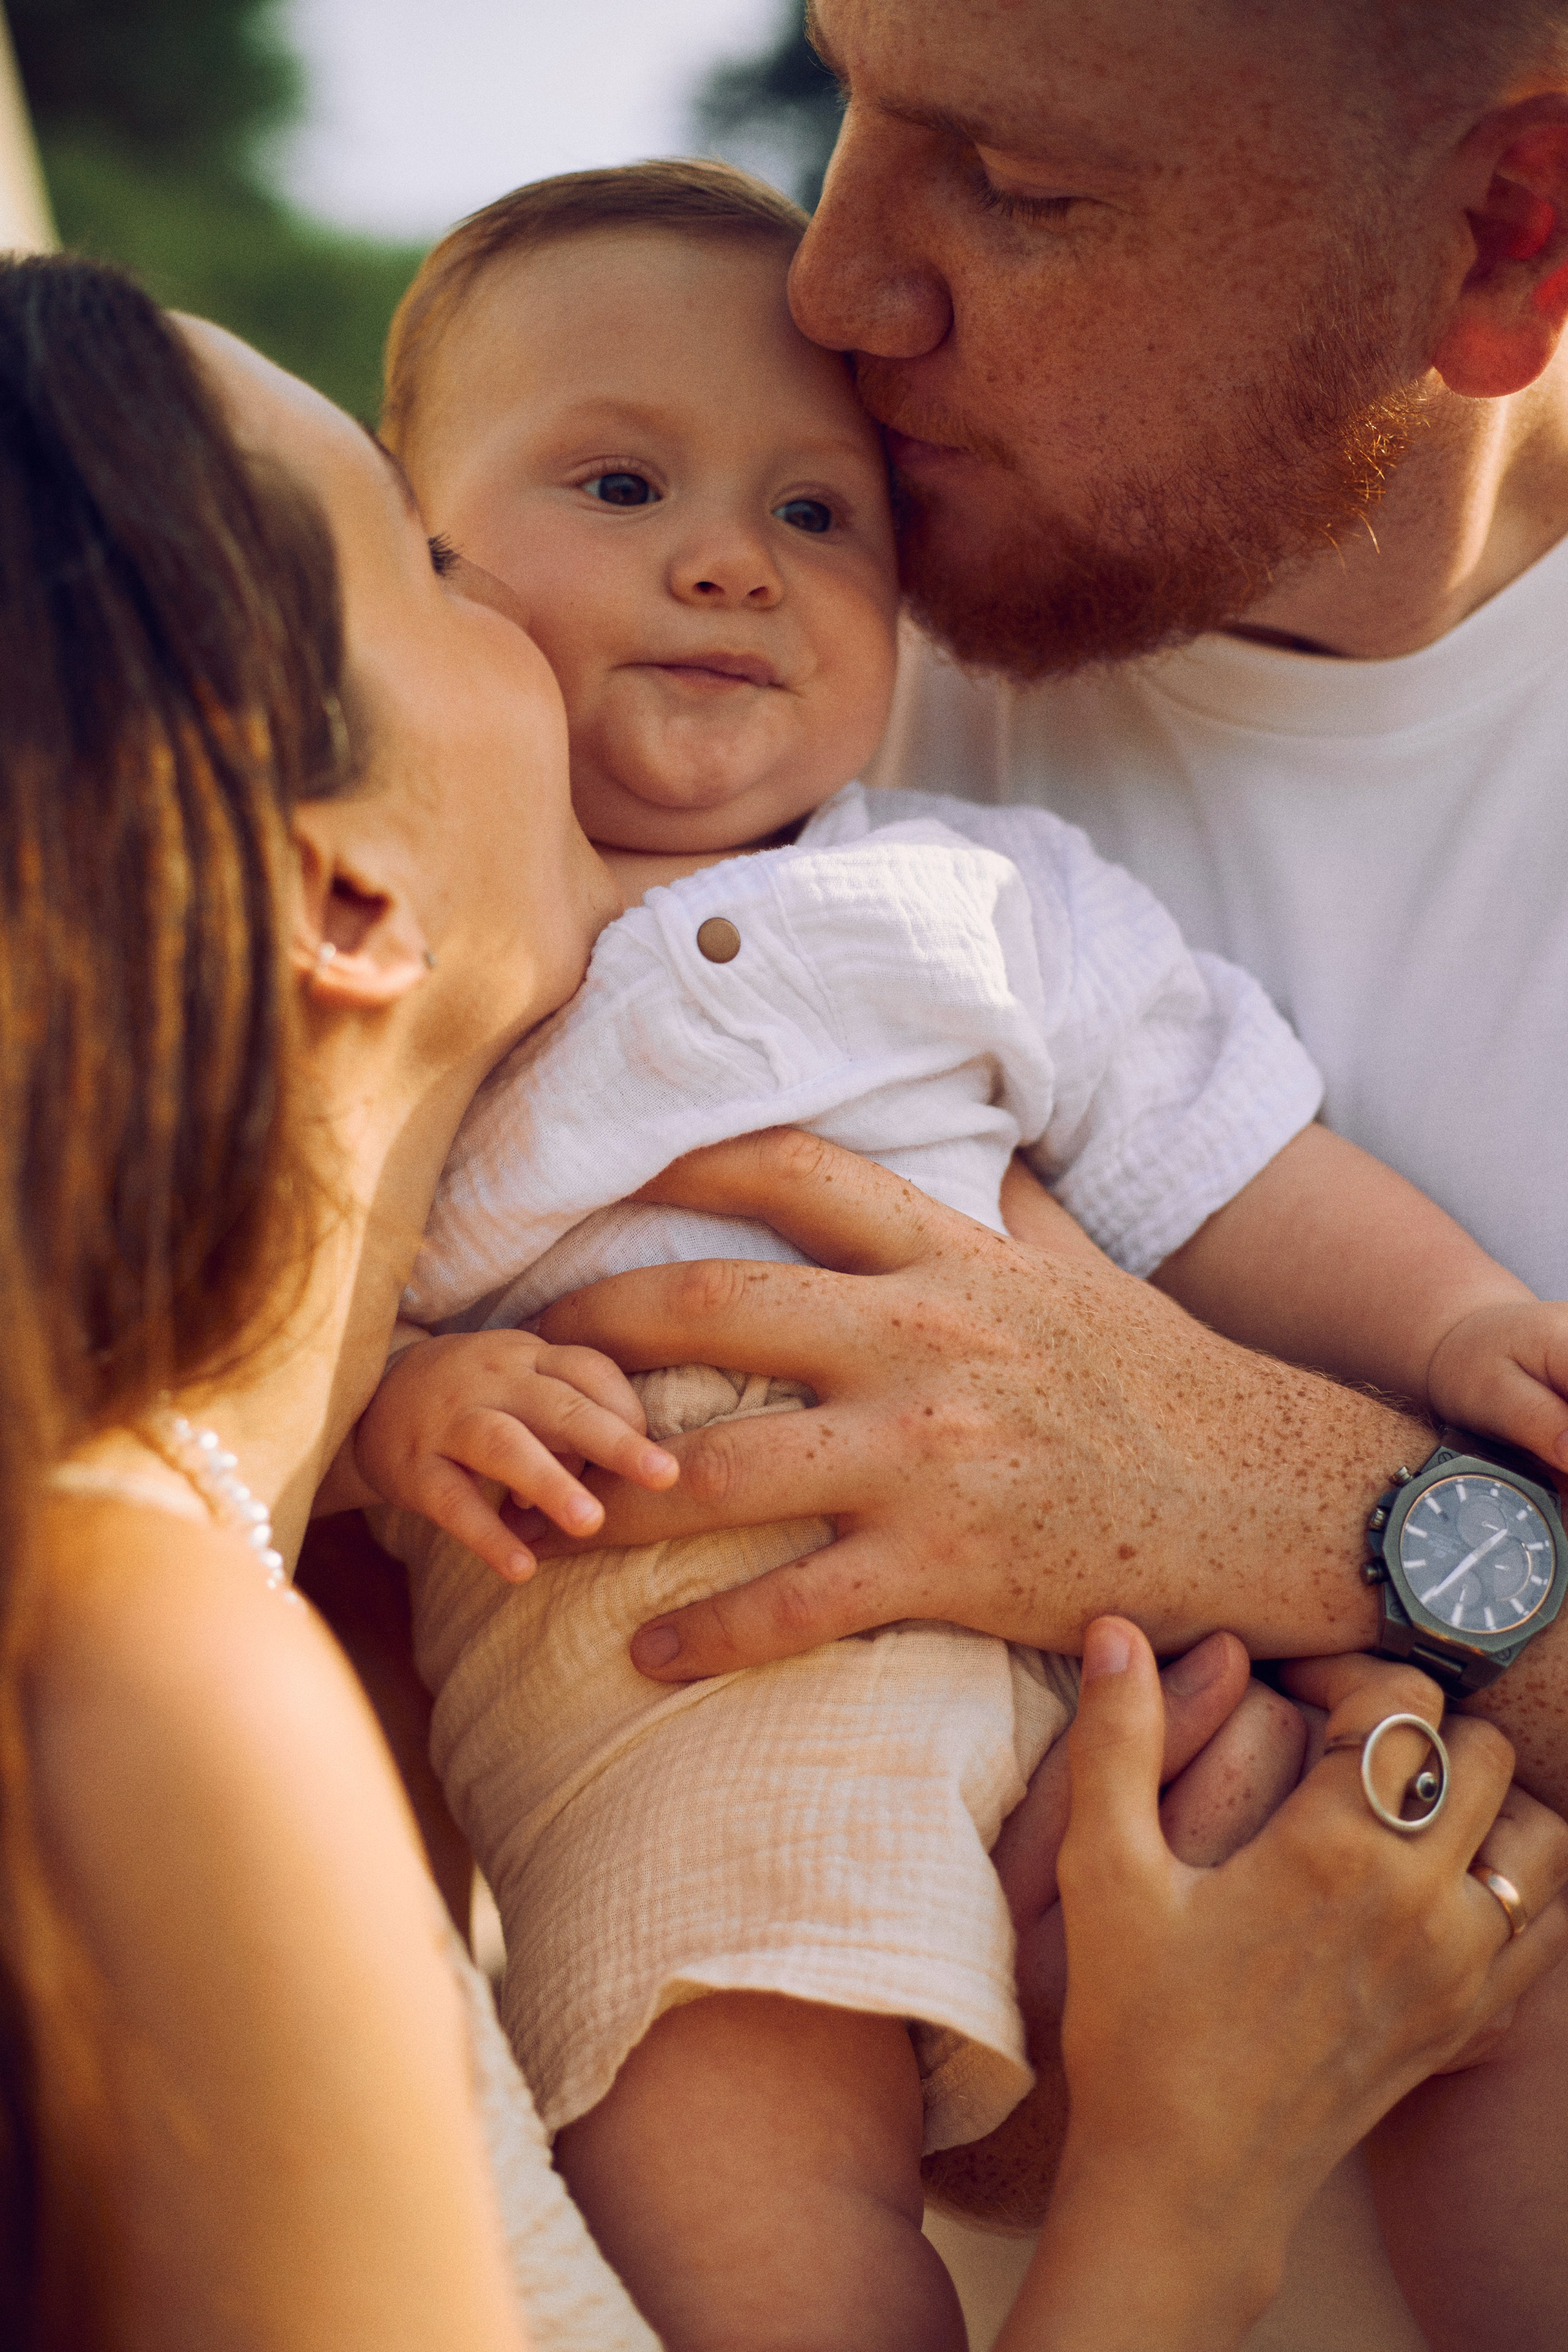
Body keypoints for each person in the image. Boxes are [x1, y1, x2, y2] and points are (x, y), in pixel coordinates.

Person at [4, 251, 1564, 2352]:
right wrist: (1193, 2166)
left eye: (818, 513)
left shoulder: (957, 886)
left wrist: (1454, 1337)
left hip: (1141, 1692)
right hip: (713, 1767)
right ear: (351, 894)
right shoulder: (160, 1659)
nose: (724, 571)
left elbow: (1231, 1147)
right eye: (423, 557)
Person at [490, 7, 1568, 2349]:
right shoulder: (671, 658)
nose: (837, 278)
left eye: (1019, 178)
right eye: (846, 88)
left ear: (1503, 231)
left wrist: (1303, 1501)